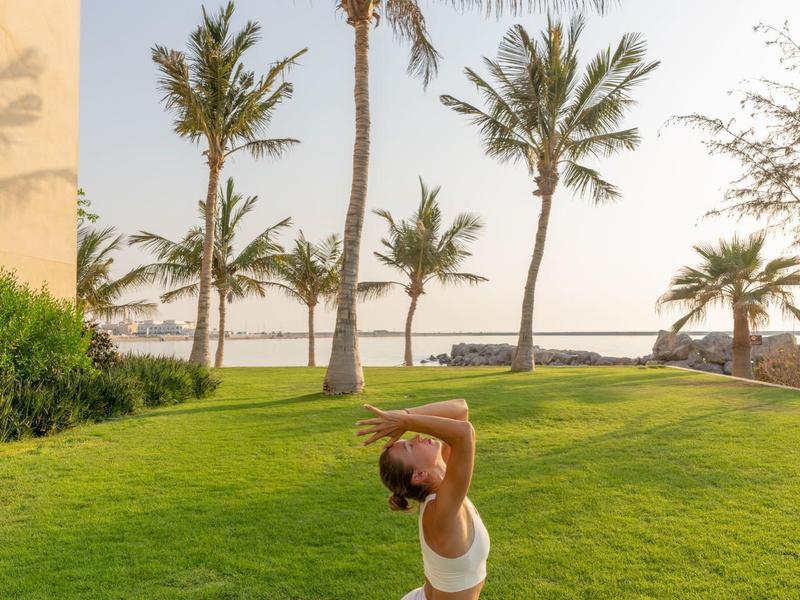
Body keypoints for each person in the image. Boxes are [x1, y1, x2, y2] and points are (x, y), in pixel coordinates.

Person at [356, 399, 490, 600]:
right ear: (419, 475)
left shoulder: (443, 483)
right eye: (410, 446)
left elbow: (460, 409)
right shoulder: (440, 511)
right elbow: (464, 433)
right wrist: (405, 421)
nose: (417, 437)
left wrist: (404, 415)